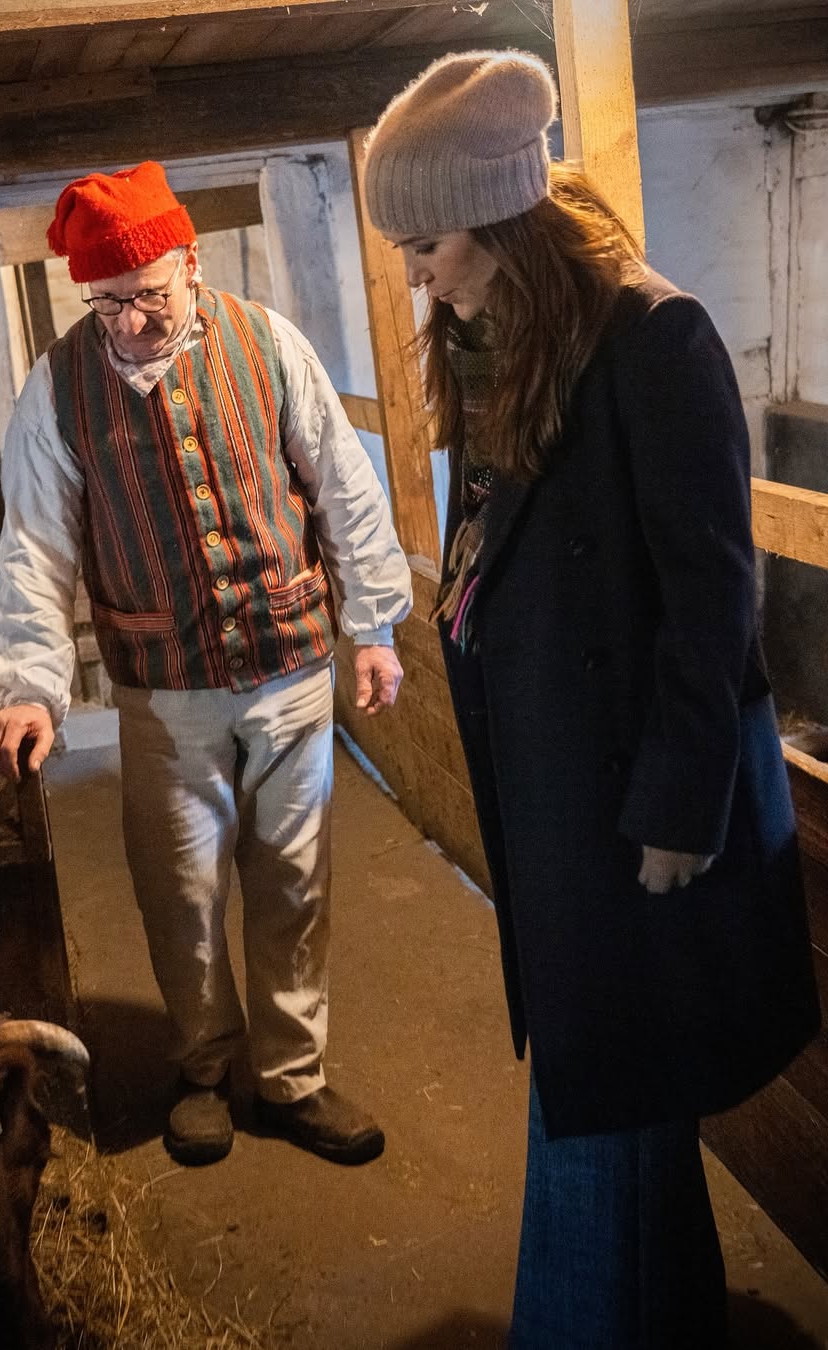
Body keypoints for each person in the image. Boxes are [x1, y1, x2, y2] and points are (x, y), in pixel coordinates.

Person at [363, 51, 820, 1347]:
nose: (416, 276)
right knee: (627, 1104)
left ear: (504, 215)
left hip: (636, 817)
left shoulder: (653, 337)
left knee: (595, 1116)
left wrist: (681, 810)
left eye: (431, 242)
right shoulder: (500, 334)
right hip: (562, 792)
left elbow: (712, 588)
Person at [0, 162, 412, 1168]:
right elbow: (34, 545)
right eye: (107, 303)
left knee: (294, 880)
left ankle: (292, 1078)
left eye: (149, 298)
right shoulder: (59, 387)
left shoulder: (266, 345)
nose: (128, 324)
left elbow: (343, 485)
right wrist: (28, 687)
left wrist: (373, 628)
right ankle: (204, 1067)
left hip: (291, 668)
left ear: (191, 267)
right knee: (182, 887)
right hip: (164, 692)